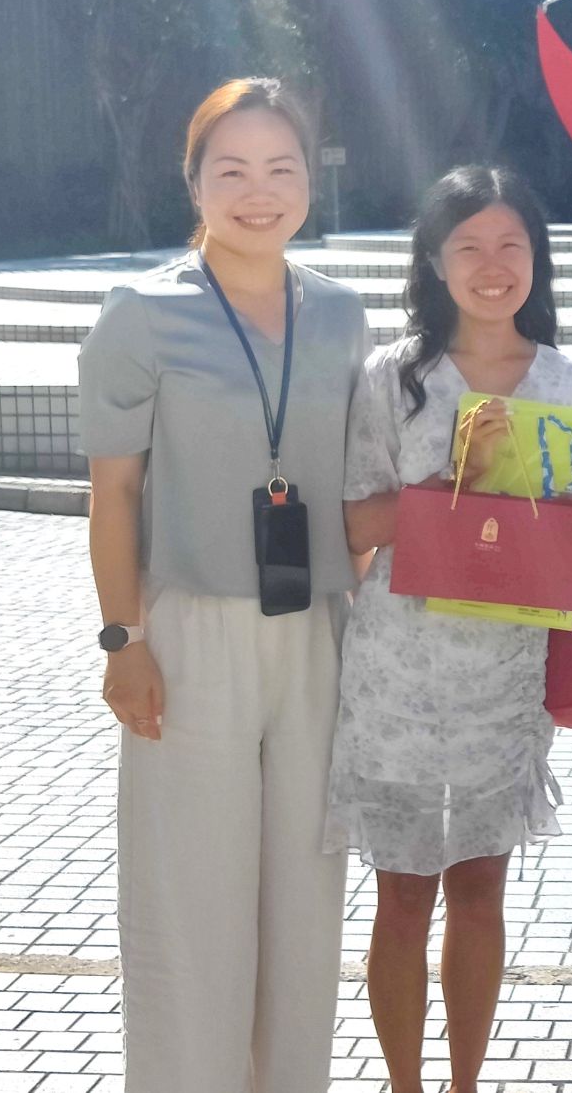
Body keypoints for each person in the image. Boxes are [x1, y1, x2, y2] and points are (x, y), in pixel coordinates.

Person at [79, 78, 368, 1093]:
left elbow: (360, 486)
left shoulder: (339, 316)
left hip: (317, 635)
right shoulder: (142, 315)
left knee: (304, 903)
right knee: (190, 905)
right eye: (232, 170)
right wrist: (124, 642)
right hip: (190, 635)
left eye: (280, 169)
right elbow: (112, 493)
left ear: (310, 181)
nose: (259, 191)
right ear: (194, 183)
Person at [333, 164, 572, 1093]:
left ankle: (464, 1085)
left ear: (538, 258)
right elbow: (350, 523)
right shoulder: (395, 378)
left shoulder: (567, 381)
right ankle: (407, 1085)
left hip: (503, 673)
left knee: (481, 891)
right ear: (435, 263)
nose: (493, 267)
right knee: (403, 892)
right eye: (469, 248)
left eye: (512, 246)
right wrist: (455, 480)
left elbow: (561, 535)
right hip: (398, 676)